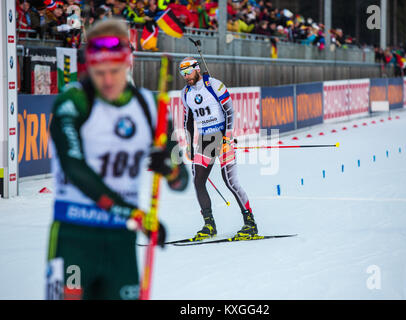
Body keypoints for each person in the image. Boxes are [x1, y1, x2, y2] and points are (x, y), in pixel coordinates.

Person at [47, 18, 188, 300]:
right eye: (99, 73)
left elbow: (181, 180)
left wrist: (168, 167)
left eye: (115, 70)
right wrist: (135, 215)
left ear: (128, 64)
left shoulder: (150, 108)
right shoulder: (73, 101)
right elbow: (75, 169)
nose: (108, 80)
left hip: (121, 242)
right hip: (75, 236)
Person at [180, 57, 258, 241]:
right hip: (205, 140)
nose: (186, 76)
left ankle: (250, 224)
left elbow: (230, 111)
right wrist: (190, 145)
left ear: (197, 69)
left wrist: (227, 137)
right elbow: (188, 121)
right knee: (198, 181)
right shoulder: (185, 93)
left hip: (221, 136)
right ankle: (209, 225)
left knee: (230, 182)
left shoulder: (214, 85)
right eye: (182, 73)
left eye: (188, 72)